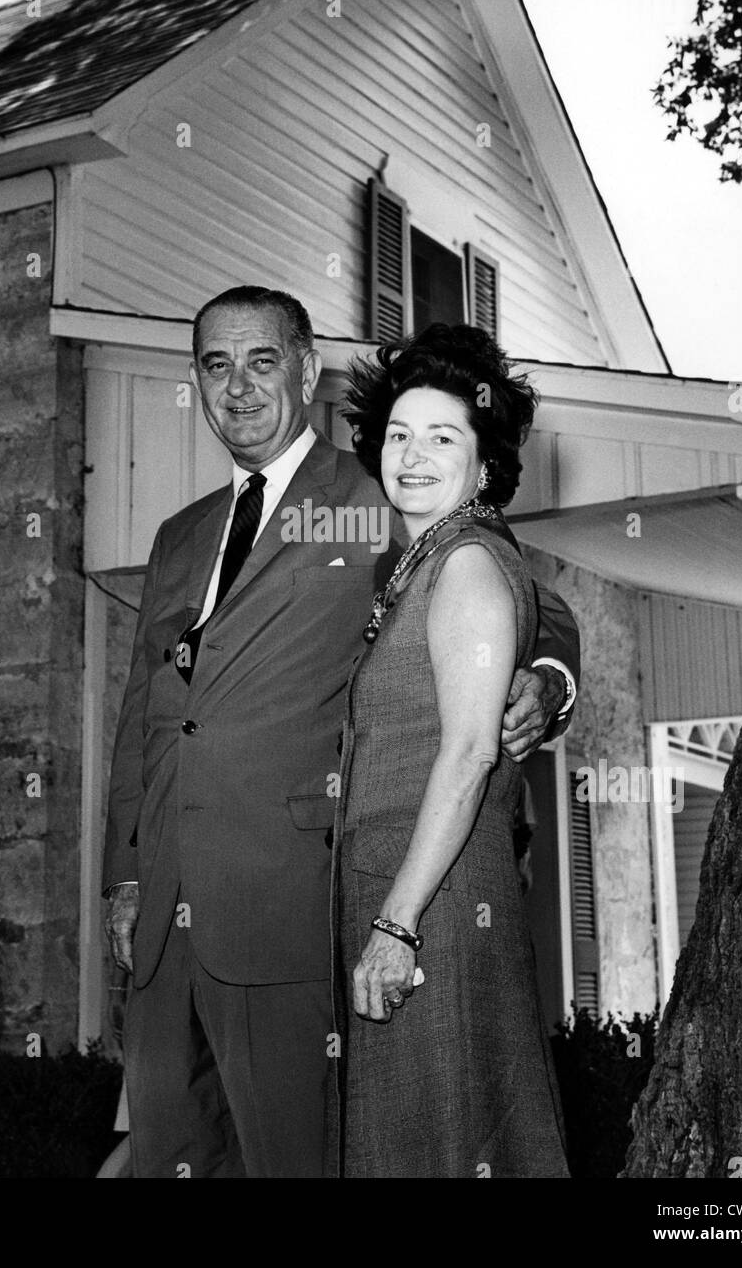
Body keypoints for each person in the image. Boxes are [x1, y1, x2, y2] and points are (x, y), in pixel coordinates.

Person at [102, 286, 579, 1179]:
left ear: (307, 368)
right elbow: (148, 712)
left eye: (262, 360)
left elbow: (517, 593)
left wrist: (545, 681)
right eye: (215, 364)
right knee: (171, 1154)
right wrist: (124, 875)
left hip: (287, 899)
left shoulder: (381, 485)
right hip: (163, 907)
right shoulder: (178, 535)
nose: (238, 387)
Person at [330, 324, 569, 1178]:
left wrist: (396, 925)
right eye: (398, 435)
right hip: (405, 887)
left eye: (442, 437)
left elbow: (469, 755)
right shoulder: (419, 561)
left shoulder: (465, 562)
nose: (412, 454)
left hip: (430, 900)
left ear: (485, 463)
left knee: (439, 1139)